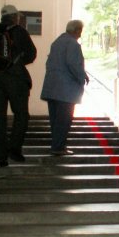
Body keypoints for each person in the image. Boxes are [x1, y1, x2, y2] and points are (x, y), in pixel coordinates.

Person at [0, 4, 37, 166]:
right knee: (21, 114)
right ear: (15, 17)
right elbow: (31, 55)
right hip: (16, 79)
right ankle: (15, 149)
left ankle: (0, 156)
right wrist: (15, 64)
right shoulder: (20, 31)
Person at [40, 19, 89, 156]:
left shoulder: (56, 42)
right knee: (64, 120)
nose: (80, 34)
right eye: (80, 31)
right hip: (65, 91)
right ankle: (58, 148)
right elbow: (73, 64)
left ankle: (56, 145)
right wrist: (82, 77)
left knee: (55, 120)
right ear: (77, 30)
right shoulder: (73, 44)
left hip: (52, 88)